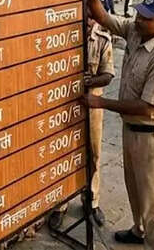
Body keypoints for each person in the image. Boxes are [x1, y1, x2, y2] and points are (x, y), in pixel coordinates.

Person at [80, 0, 154, 250]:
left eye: (146, 18)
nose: (139, 20)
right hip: (132, 129)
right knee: (134, 187)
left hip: (152, 135)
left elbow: (147, 106)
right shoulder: (136, 31)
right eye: (139, 14)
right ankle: (139, 230)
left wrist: (101, 103)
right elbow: (103, 17)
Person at [48, 19, 114, 229]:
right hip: (65, 104)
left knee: (93, 154)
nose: (88, 18)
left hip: (92, 105)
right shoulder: (62, 36)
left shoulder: (102, 40)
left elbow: (108, 75)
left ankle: (92, 201)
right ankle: (60, 204)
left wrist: (89, 81)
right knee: (64, 153)